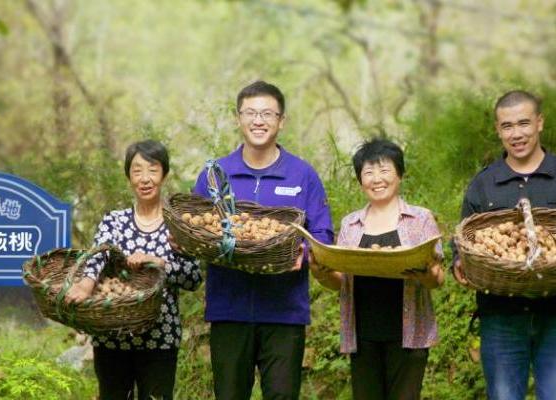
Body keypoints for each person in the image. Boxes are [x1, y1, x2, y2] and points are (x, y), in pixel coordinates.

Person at [191, 80, 334, 399]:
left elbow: (323, 234)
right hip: (229, 310)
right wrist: (186, 242)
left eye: (268, 113)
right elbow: (194, 226)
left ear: (281, 121)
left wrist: (306, 254)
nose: (259, 120)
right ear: (238, 118)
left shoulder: (302, 175)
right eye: (251, 112)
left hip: (284, 312)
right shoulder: (215, 175)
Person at [65, 140, 202, 400]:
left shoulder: (178, 225)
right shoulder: (114, 221)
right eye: (137, 170)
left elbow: (193, 277)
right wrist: (85, 284)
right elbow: (98, 256)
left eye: (153, 170)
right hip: (111, 339)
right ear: (129, 176)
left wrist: (160, 263)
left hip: (160, 338)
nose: (145, 178)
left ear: (164, 174)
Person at [310, 138, 444, 400]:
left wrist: (427, 275)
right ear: (360, 180)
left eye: (384, 170)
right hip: (363, 336)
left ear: (400, 174)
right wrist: (321, 273)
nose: (376, 179)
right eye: (368, 172)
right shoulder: (351, 224)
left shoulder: (420, 219)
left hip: (408, 336)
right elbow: (341, 282)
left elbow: (438, 280)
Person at [453, 90, 556, 400]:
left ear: (539, 123)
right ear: (498, 130)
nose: (516, 134)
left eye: (524, 123)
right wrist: (459, 263)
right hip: (501, 317)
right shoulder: (483, 184)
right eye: (507, 126)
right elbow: (463, 241)